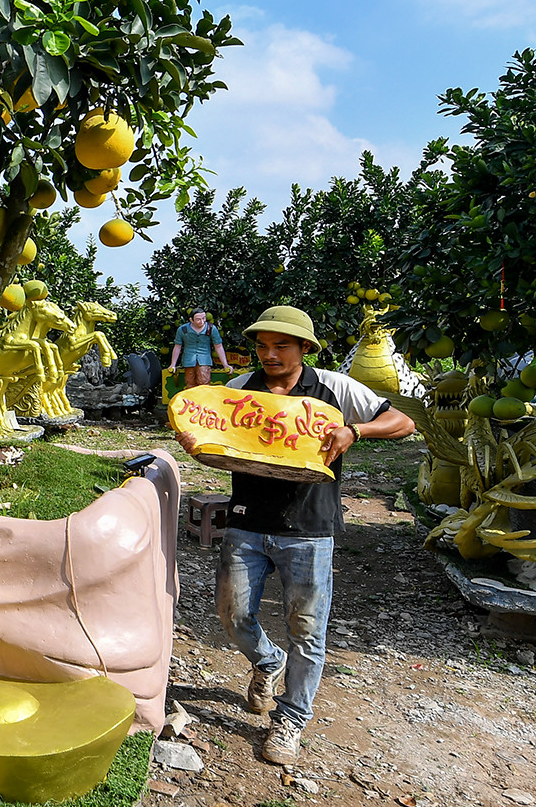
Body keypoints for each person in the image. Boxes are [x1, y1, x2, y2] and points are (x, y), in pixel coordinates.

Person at [173, 305, 414, 766]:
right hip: (246, 520)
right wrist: (196, 445)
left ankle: (291, 720)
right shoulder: (240, 390)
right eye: (262, 346)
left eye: (280, 345)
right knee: (231, 612)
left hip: (309, 528)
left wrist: (354, 431)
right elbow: (217, 443)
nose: (268, 354)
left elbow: (403, 423)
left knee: (306, 629)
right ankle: (267, 661)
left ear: (304, 347)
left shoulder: (334, 388)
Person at [169, 308, 228, 390]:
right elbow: (177, 346)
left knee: (204, 382)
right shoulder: (183, 329)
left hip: (204, 359)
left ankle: (204, 401)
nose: (202, 321)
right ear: (191, 320)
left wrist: (225, 364)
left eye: (204, 318)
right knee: (190, 383)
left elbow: (218, 346)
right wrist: (173, 364)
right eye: (198, 319)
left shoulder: (211, 328)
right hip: (189, 360)